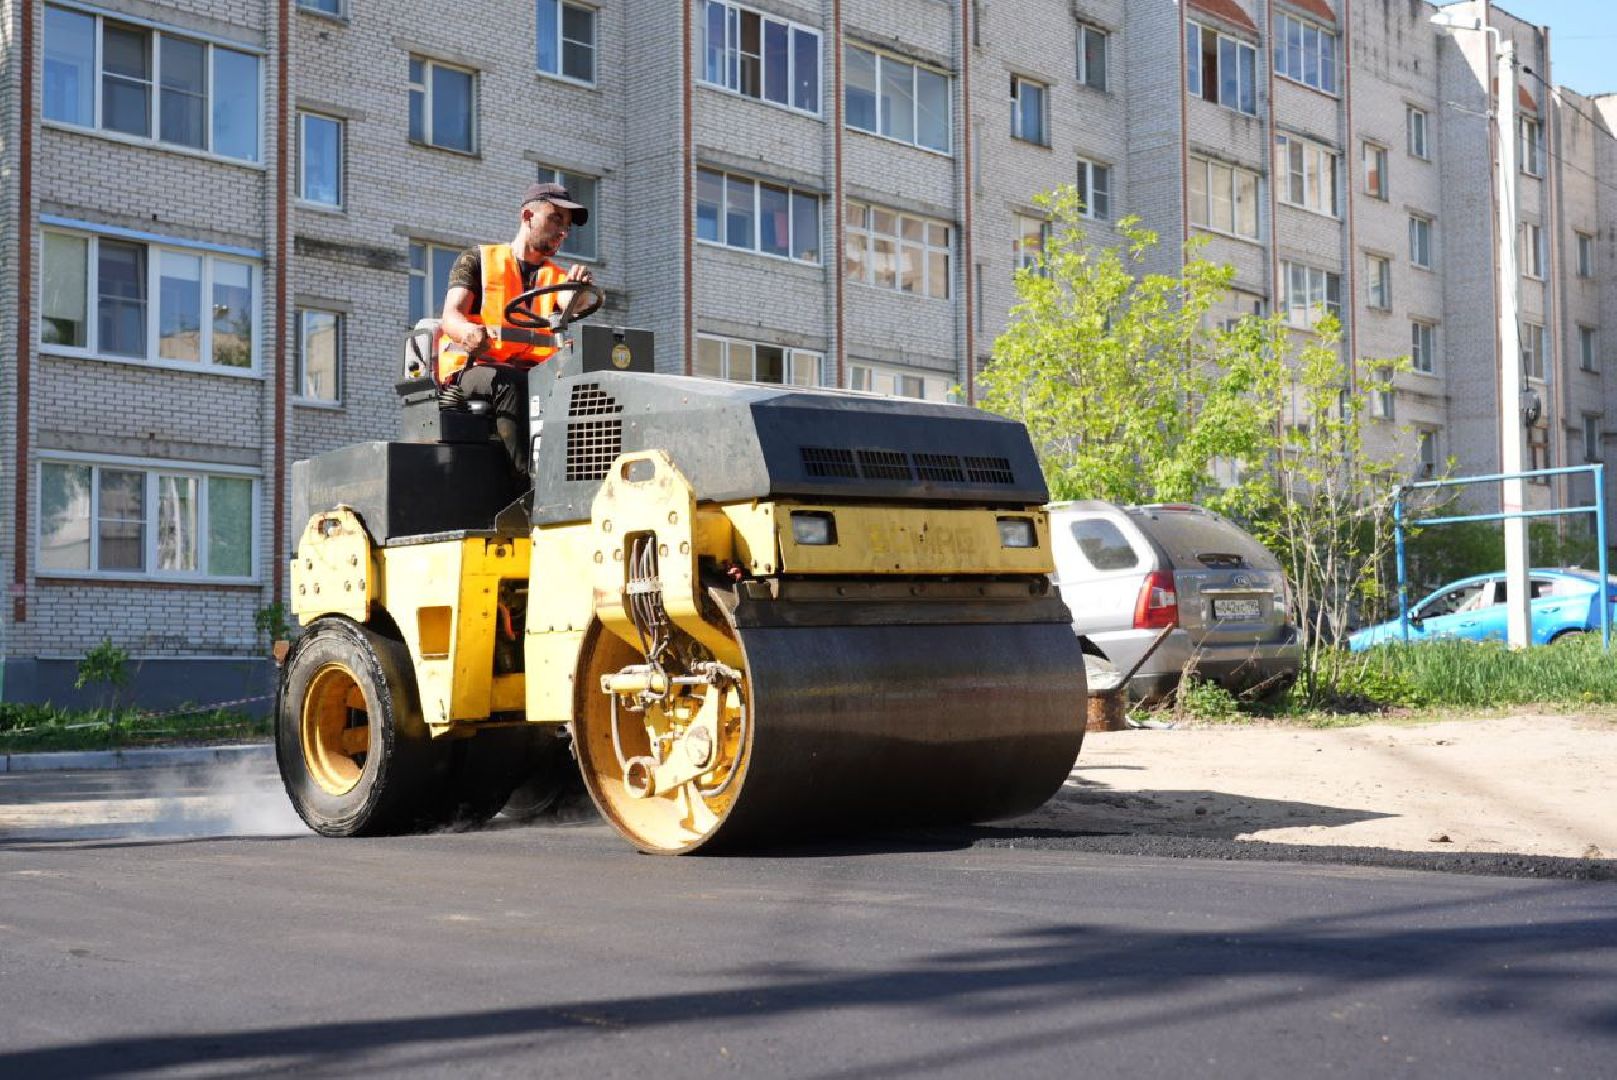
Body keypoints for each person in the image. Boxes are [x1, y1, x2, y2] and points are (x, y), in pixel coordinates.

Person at [437, 182, 596, 476]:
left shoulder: (557, 277)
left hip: (533, 373)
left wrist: (579, 291)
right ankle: (527, 489)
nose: (563, 231)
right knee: (513, 384)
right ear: (527, 216)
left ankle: (582, 477)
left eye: (568, 226)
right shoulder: (477, 260)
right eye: (555, 219)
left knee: (584, 389)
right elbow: (451, 316)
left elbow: (573, 302)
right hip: (474, 369)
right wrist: (468, 333)